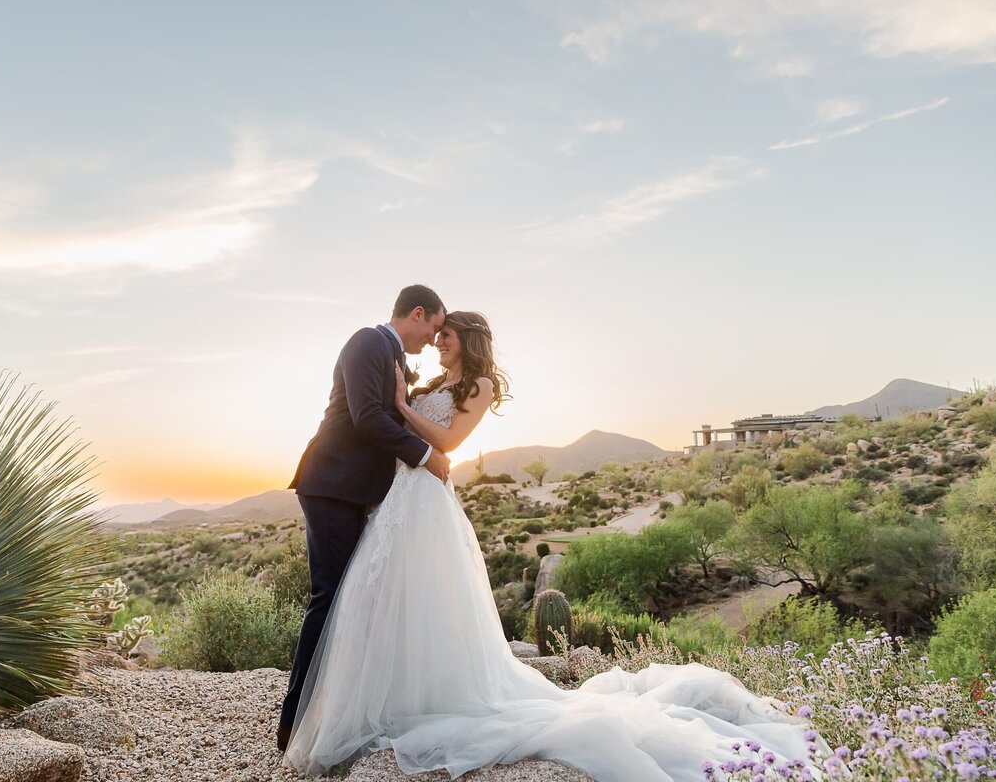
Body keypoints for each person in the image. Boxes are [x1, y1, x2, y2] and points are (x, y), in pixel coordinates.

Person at [282, 311, 812, 782]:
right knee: (382, 599)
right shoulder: (433, 381)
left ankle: (417, 699)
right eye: (436, 334)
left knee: (419, 598)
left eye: (446, 336)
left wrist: (400, 403)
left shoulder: (481, 386)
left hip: (425, 496)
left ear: (467, 339)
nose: (439, 343)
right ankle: (378, 697)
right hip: (398, 496)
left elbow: (445, 444)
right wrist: (401, 406)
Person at [278, 284, 452, 751]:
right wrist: (424, 455)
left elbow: (388, 415)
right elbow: (364, 417)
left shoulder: (394, 358)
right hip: (331, 484)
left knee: (351, 598)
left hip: (356, 492)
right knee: (330, 595)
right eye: (433, 328)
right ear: (418, 313)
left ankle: (335, 712)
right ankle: (293, 722)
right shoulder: (367, 342)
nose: (431, 342)